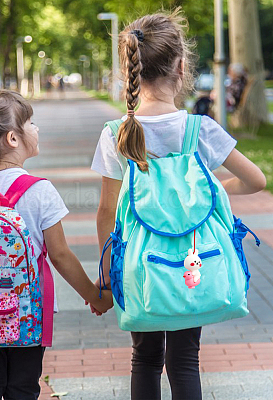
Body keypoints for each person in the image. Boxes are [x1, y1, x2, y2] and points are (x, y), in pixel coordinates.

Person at [90, 9, 266, 400]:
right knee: (185, 361)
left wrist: (106, 275)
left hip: (139, 266)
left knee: (144, 358)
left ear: (128, 68)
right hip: (194, 262)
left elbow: (105, 212)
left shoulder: (116, 133)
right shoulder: (199, 129)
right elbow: (257, 180)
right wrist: (211, 188)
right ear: (181, 66)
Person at [0, 89, 113, 400]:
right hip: (25, 314)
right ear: (13, 139)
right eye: (30, 122)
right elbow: (60, 255)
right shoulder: (38, 191)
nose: (36, 128)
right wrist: (95, 295)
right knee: (22, 389)